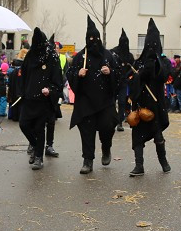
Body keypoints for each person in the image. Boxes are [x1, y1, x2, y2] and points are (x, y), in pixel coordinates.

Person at [67, 17, 118, 174]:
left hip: (105, 102)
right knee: (87, 131)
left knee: (108, 127)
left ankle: (106, 147)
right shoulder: (80, 57)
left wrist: (110, 73)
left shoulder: (108, 56)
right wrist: (78, 74)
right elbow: (69, 74)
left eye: (96, 38)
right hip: (86, 102)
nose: (93, 41)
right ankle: (87, 160)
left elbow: (119, 76)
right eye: (90, 39)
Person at [127, 19, 173, 176]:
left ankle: (163, 161)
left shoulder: (164, 62)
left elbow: (164, 77)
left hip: (156, 105)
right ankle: (139, 165)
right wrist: (139, 75)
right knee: (137, 136)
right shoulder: (138, 62)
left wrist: (154, 66)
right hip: (140, 105)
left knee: (158, 135)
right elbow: (129, 80)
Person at [17, 28, 64, 171]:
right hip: (29, 98)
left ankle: (38, 158)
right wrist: (22, 92)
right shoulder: (30, 56)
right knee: (23, 124)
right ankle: (37, 145)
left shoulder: (52, 57)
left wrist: (49, 90)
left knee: (39, 128)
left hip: (43, 100)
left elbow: (58, 80)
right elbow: (24, 75)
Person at [112, 30, 133, 131]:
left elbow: (132, 68)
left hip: (124, 82)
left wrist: (127, 75)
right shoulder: (114, 52)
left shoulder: (129, 56)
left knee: (121, 102)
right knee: (111, 101)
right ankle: (112, 119)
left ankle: (119, 122)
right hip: (114, 81)